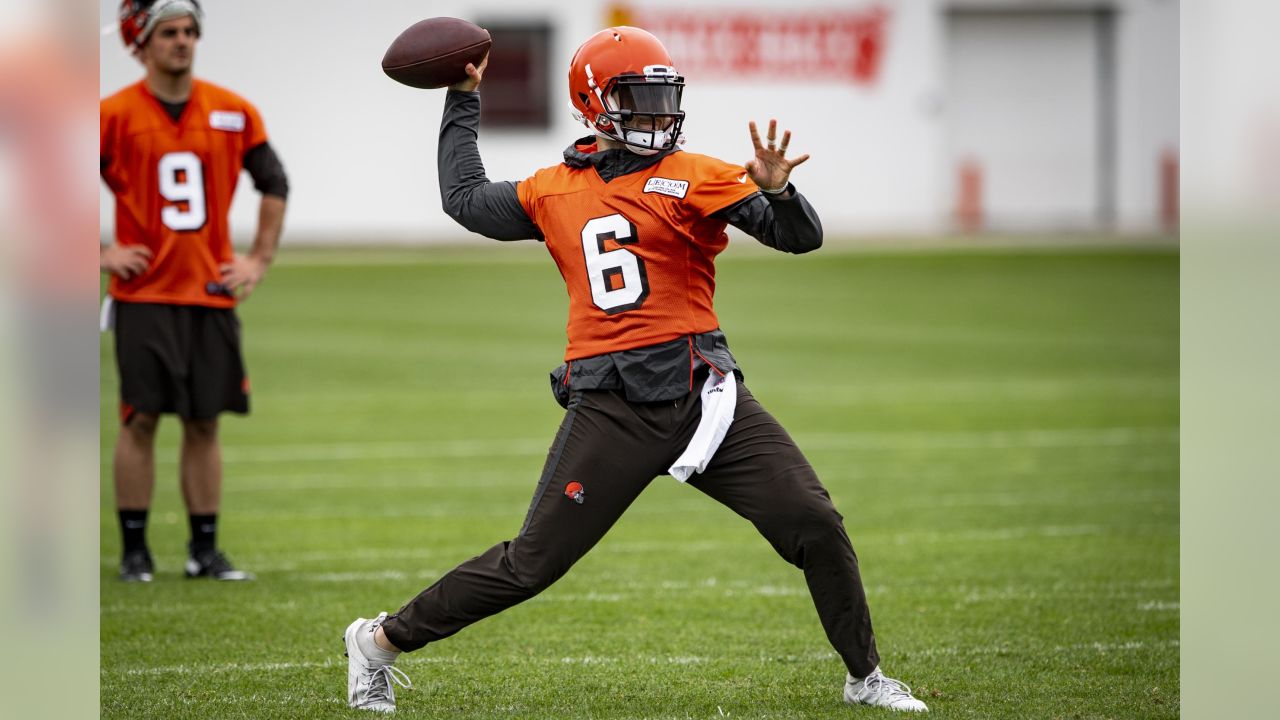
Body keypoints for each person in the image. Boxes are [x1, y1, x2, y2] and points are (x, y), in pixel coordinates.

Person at [344, 26, 926, 713]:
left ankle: (865, 676)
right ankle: (379, 642)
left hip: (703, 396)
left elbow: (798, 238)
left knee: (814, 522)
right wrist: (463, 97)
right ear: (595, 104)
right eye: (638, 100)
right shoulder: (553, 188)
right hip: (612, 404)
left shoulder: (698, 173)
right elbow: (465, 199)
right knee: (533, 564)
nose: (657, 115)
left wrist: (781, 193)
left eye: (662, 99)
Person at [100, 0, 288, 582]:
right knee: (140, 419)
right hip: (145, 294)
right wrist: (99, 252)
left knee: (205, 421)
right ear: (141, 41)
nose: (182, 41)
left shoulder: (232, 111)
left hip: (209, 290)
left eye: (189, 31)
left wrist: (257, 259)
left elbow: (274, 181)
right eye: (169, 32)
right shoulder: (112, 114)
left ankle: (203, 550)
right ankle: (135, 551)